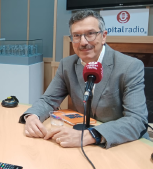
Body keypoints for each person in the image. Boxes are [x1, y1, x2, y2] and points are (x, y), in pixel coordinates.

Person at [19, 10, 148, 149]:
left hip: (122, 144)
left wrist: (89, 135)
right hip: (84, 146)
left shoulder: (130, 66)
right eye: (76, 36)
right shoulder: (66, 65)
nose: (83, 42)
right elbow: (48, 100)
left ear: (103, 36)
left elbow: (137, 120)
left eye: (90, 34)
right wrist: (32, 116)